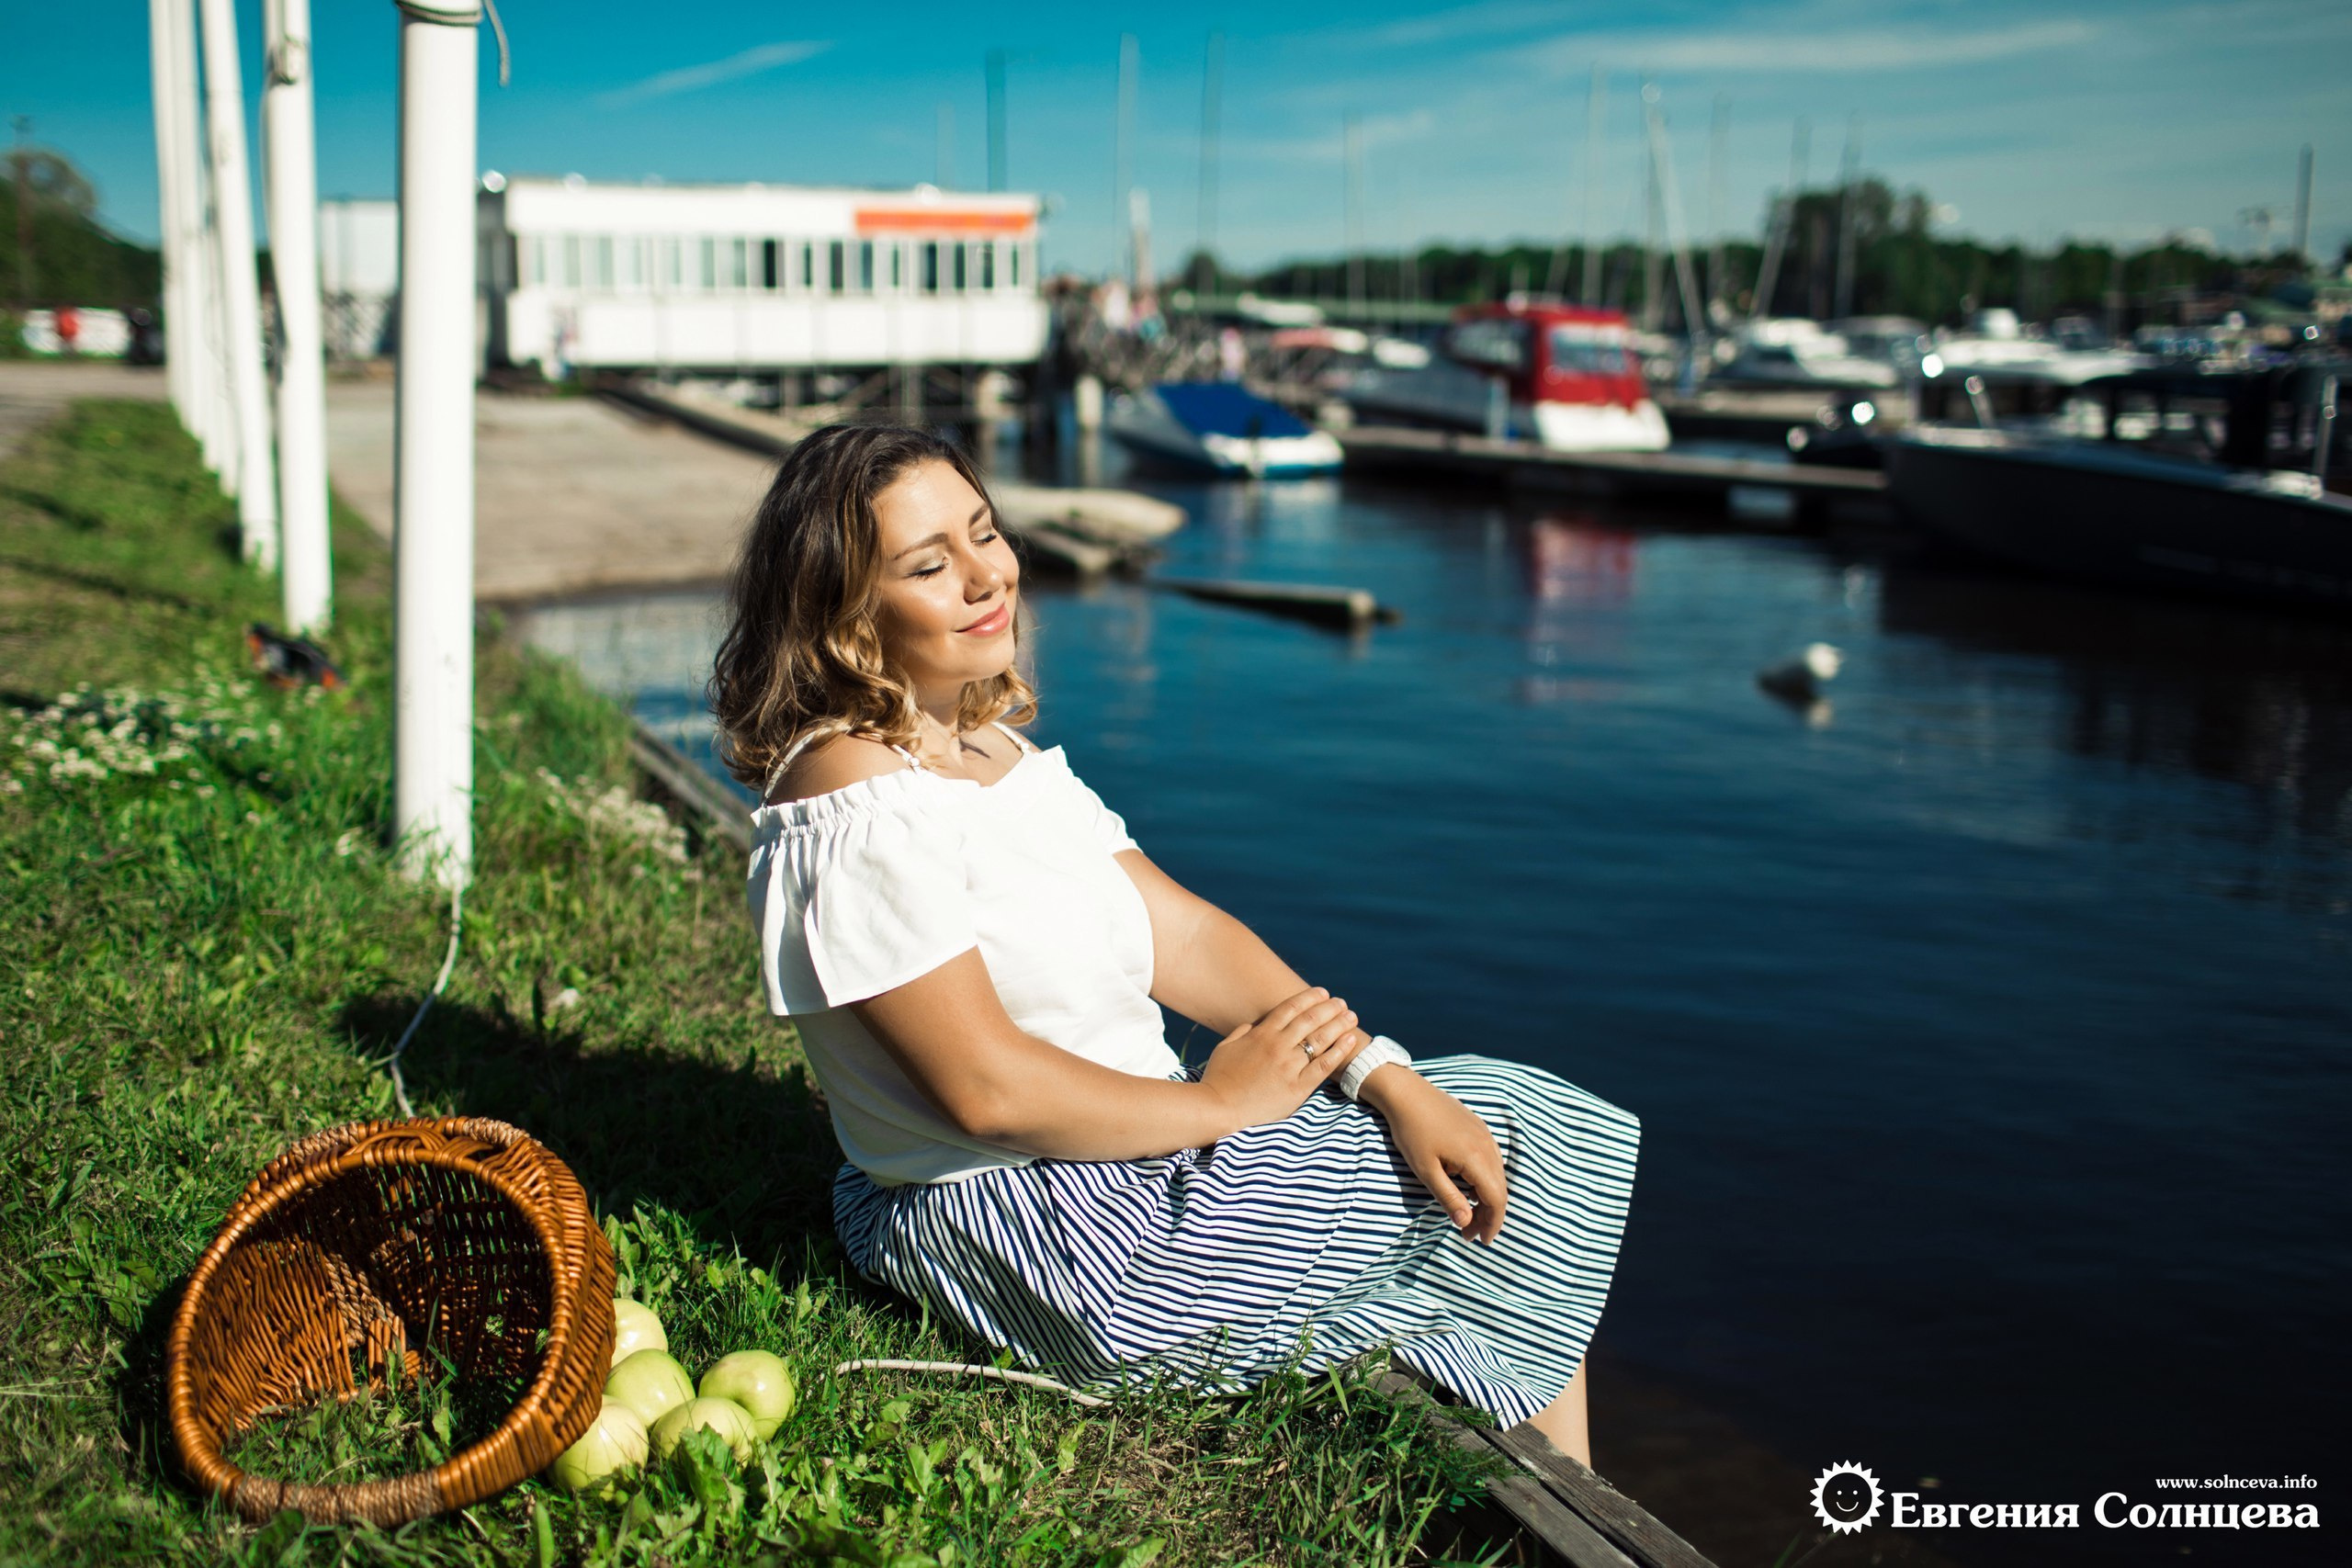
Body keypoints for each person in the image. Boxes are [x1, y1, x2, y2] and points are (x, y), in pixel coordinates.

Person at [708, 423, 1640, 1464]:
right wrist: (1221, 1104)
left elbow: (1183, 934)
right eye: (929, 565)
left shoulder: (987, 749)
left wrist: (1381, 1072)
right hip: (1051, 1221)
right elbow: (985, 1091)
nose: (986, 576)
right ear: (843, 614)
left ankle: (1559, 1486)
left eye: (984, 533)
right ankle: (1558, 1500)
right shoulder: (850, 790)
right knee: (1517, 1154)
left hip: (1133, 1149)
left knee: (1487, 1128)